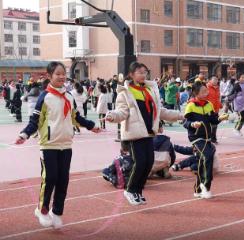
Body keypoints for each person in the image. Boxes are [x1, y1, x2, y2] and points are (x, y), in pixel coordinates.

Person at [15, 62, 100, 229]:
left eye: (64, 73)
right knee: (50, 178)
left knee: (63, 180)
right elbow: (35, 121)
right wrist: (24, 134)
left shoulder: (69, 96)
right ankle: (42, 210)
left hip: (66, 145)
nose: (62, 76)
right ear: (49, 76)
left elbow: (76, 117)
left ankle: (57, 212)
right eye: (58, 74)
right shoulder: (44, 97)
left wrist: (91, 126)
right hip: (48, 146)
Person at [105, 62, 183, 205]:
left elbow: (160, 111)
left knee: (148, 164)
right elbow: (122, 112)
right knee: (140, 163)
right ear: (131, 75)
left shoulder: (150, 89)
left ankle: (138, 192)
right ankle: (130, 190)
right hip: (134, 134)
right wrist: (112, 116)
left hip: (148, 133)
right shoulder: (125, 92)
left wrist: (179, 115)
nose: (143, 74)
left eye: (144, 72)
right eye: (139, 72)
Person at [183, 81, 226, 199]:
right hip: (196, 138)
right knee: (207, 156)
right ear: (196, 93)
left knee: (204, 161)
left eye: (206, 91)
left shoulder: (208, 104)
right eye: (203, 91)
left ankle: (197, 190)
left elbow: (213, 120)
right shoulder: (190, 105)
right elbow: (185, 122)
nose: (206, 93)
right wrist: (193, 124)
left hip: (207, 138)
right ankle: (206, 186)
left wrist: (220, 118)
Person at [206, 76, 222, 143]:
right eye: (214, 79)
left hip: (216, 109)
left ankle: (213, 139)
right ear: (210, 80)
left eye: (217, 80)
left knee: (215, 124)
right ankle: (207, 138)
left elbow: (217, 98)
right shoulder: (206, 87)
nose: (216, 81)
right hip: (208, 109)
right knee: (207, 125)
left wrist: (220, 105)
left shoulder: (218, 88)